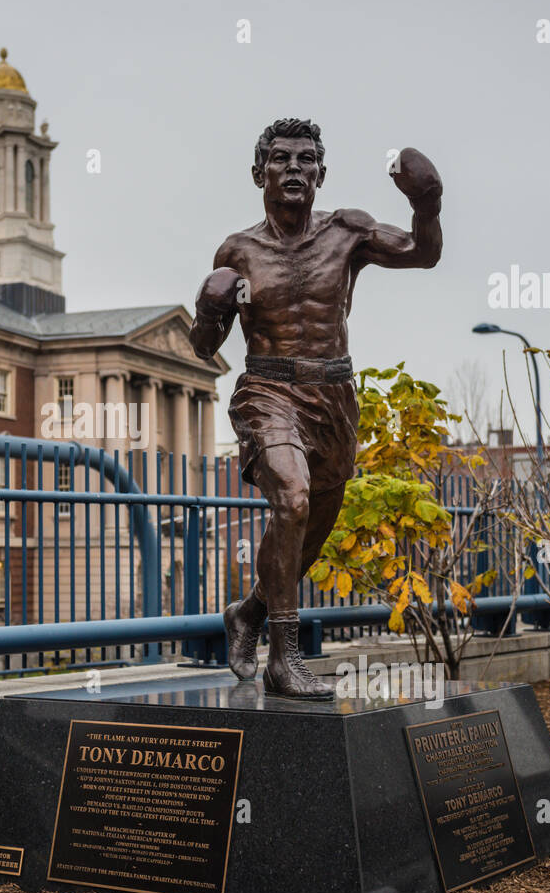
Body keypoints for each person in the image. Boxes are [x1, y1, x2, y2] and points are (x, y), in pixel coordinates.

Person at [189, 118, 443, 699]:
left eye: (306, 160)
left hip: (333, 396)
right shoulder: (238, 251)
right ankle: (284, 655)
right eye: (281, 159)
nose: (295, 169)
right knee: (293, 498)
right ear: (260, 173)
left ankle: (248, 613)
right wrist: (208, 310)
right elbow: (205, 350)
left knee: (312, 527)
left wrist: (427, 204)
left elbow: (422, 255)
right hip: (268, 389)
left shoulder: (348, 233)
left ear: (322, 174)